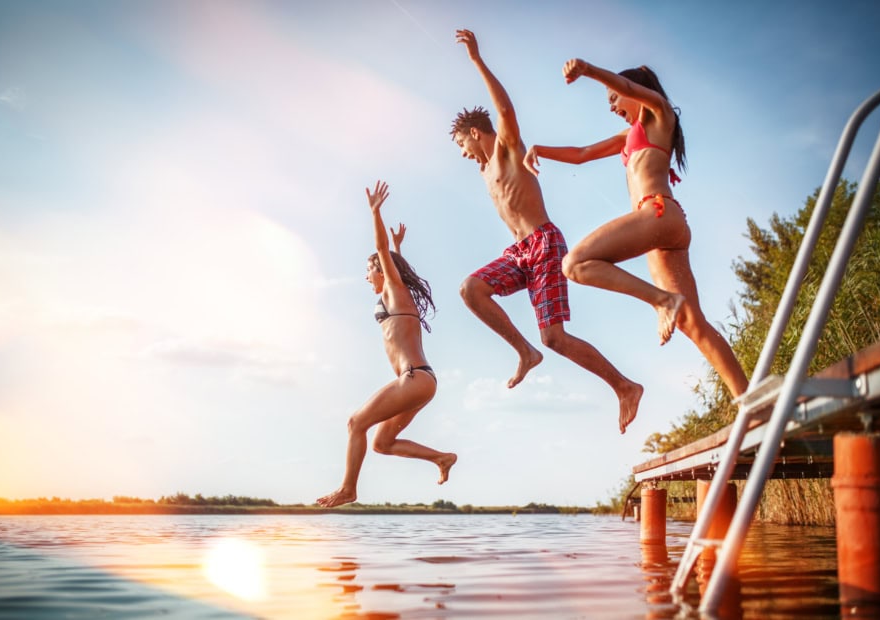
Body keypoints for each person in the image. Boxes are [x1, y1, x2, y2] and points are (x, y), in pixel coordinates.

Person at [451, 29, 643, 434]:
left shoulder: (505, 149)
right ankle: (524, 352)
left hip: (544, 244)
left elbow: (503, 110)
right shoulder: (485, 171)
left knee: (554, 337)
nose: (463, 154)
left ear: (474, 133)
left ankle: (624, 386)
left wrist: (476, 61)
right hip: (518, 251)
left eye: (461, 145)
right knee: (470, 288)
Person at [523, 60, 749, 398]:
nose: (613, 107)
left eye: (613, 99)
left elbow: (629, 89)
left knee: (575, 264)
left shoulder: (660, 114)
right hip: (661, 230)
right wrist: (540, 150)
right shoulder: (628, 137)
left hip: (657, 212)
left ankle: (661, 302)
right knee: (691, 321)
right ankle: (746, 398)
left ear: (634, 92)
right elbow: (583, 153)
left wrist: (588, 70)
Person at [317, 180, 457, 508]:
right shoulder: (393, 293)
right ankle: (442, 457)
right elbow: (391, 264)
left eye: (368, 270)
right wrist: (398, 249)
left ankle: (348, 489)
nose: (366, 276)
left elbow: (381, 254)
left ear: (380, 270)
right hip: (422, 380)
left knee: (356, 423)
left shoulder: (393, 289)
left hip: (413, 379)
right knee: (381, 442)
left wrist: (376, 214)